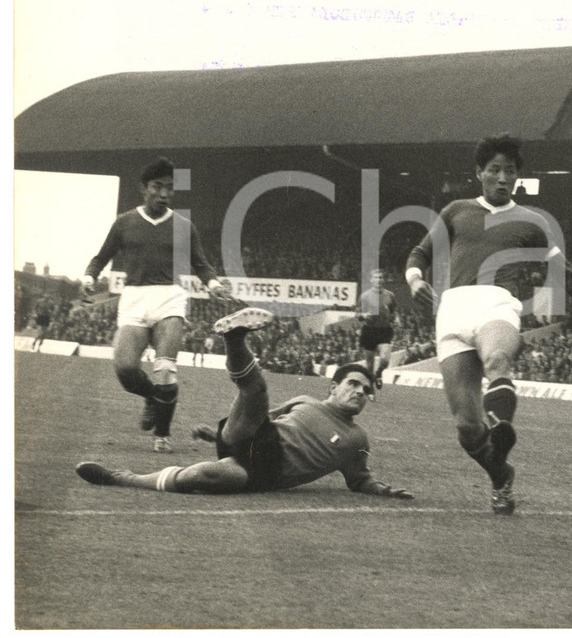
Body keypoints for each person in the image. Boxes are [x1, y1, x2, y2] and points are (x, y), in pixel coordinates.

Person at [405, 133, 572, 515]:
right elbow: (419, 253)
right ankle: (501, 476)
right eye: (494, 170)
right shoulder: (456, 211)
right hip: (453, 311)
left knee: (497, 359)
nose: (502, 178)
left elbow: (564, 271)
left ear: (517, 176)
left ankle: (502, 426)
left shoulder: (531, 221)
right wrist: (415, 280)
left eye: (510, 171)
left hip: (497, 304)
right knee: (467, 428)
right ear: (479, 173)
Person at [75, 307, 414, 499]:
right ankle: (234, 339)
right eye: (353, 384)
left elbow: (358, 478)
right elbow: (260, 417)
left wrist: (384, 491)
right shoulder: (305, 401)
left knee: (205, 475)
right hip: (258, 437)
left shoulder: (357, 439)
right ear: (334, 387)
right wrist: (216, 434)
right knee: (256, 393)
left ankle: (121, 478)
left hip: (266, 472)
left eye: (365, 389)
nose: (360, 392)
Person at [82, 157, 231, 453]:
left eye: (170, 189)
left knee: (164, 369)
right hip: (134, 298)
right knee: (125, 369)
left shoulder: (184, 225)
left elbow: (201, 263)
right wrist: (89, 277)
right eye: (158, 187)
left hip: (169, 298)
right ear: (144, 188)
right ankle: (152, 397)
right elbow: (101, 257)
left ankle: (162, 434)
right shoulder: (124, 222)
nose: (164, 194)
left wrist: (213, 285)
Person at [356, 268, 399, 398]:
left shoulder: (390, 295)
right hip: (369, 330)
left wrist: (397, 318)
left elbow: (394, 311)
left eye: (380, 277)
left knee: (385, 359)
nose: (378, 280)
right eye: (376, 277)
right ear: (371, 280)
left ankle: (379, 373)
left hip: (384, 330)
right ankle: (370, 389)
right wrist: (363, 315)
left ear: (383, 280)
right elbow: (357, 314)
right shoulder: (365, 296)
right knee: (369, 363)